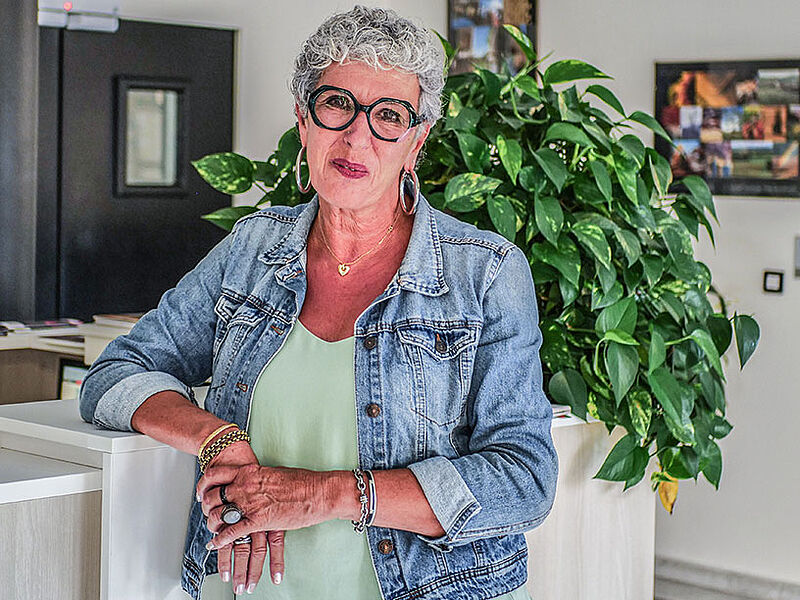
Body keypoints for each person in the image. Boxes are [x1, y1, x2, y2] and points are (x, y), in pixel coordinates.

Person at [79, 6, 558, 600]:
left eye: (389, 116)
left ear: (416, 142)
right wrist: (217, 439)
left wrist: (324, 494)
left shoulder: (485, 273)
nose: (357, 136)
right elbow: (114, 374)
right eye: (337, 104)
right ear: (304, 121)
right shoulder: (253, 249)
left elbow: (524, 479)